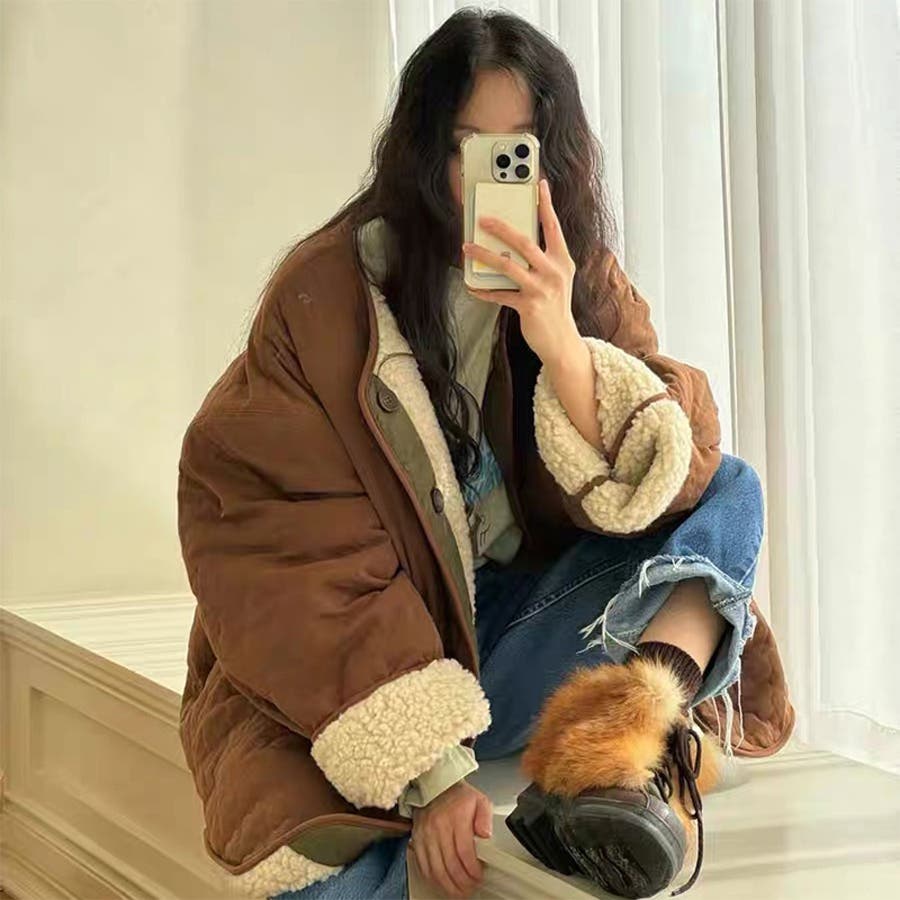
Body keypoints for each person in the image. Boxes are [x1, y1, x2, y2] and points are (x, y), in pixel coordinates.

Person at [175, 8, 795, 900]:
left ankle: (627, 748)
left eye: (518, 148)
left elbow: (678, 467)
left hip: (504, 640)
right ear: (424, 151)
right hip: (357, 676)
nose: (489, 175)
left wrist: (562, 347)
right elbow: (290, 553)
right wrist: (432, 772)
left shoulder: (576, 276)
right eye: (468, 145)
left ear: (553, 157)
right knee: (331, 876)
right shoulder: (329, 298)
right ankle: (606, 763)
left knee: (728, 489)